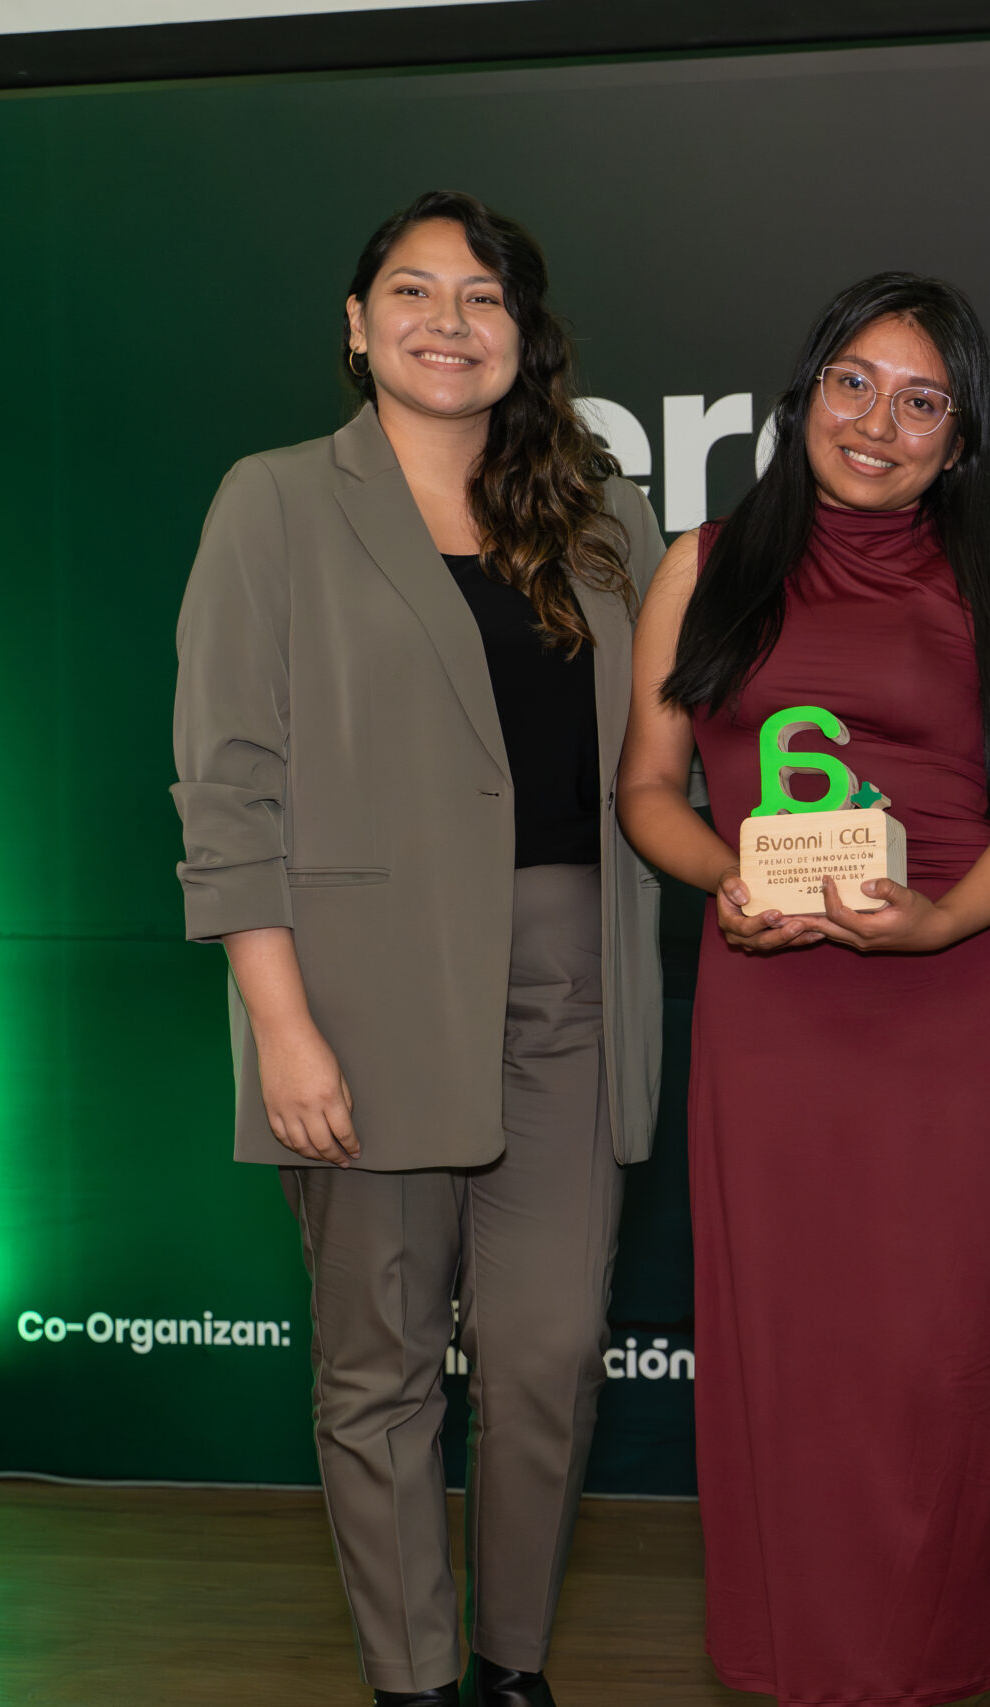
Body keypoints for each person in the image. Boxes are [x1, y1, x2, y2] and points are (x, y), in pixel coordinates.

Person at [171, 191, 667, 1707]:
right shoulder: (273, 501)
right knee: (378, 1368)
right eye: (413, 290)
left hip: (576, 988)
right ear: (356, 321)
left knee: (547, 1354)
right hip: (361, 994)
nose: (449, 322)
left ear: (526, 331)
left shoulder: (605, 515)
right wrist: (283, 1025)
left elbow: (672, 755)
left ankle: (513, 1670)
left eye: (483, 297)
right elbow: (228, 782)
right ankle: (415, 1681)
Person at [615, 273, 990, 1706]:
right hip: (773, 1005)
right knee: (791, 1349)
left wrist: (936, 923)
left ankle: (937, 1662)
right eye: (854, 383)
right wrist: (726, 880)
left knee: (939, 1354)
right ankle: (799, 1662)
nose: (879, 422)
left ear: (962, 435)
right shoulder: (702, 565)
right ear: (805, 391)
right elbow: (647, 789)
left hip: (951, 1000)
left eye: (922, 400)